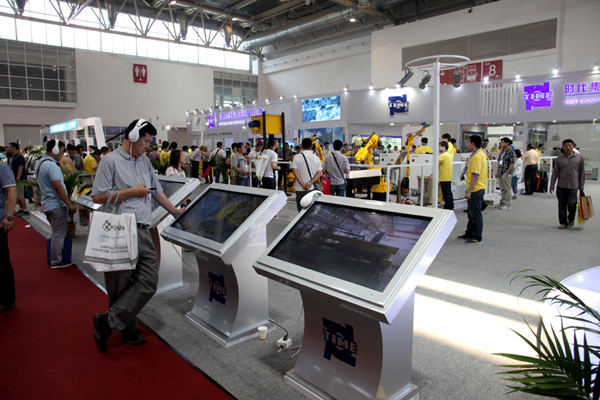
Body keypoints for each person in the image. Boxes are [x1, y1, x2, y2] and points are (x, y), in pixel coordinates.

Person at [90, 119, 184, 352]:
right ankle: (128, 327)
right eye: (146, 141)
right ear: (132, 137)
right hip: (120, 229)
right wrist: (132, 192)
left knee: (149, 281)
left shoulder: (144, 161)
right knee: (120, 284)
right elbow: (97, 196)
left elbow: (156, 192)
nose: (148, 146)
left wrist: (175, 211)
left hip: (143, 229)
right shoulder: (110, 161)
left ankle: (107, 322)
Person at [36, 140, 77, 268]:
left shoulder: (40, 163)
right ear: (54, 150)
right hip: (56, 205)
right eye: (61, 151)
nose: (62, 154)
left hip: (47, 204)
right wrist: (69, 204)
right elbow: (58, 187)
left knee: (56, 233)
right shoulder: (52, 166)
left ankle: (56, 258)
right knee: (59, 234)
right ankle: (56, 261)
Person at [549, 139, 585, 229]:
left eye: (569, 145)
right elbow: (555, 172)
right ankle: (563, 223)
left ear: (573, 146)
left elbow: (582, 172)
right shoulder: (559, 158)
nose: (568, 147)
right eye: (565, 146)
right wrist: (552, 184)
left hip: (573, 185)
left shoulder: (579, 158)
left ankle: (571, 219)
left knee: (572, 204)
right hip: (561, 185)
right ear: (563, 147)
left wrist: (581, 185)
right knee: (562, 205)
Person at [458, 135, 487, 244]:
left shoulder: (477, 157)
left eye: (468, 142)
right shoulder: (475, 154)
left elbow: (475, 176)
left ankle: (477, 237)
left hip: (476, 189)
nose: (467, 144)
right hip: (475, 188)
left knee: (475, 214)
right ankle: (469, 232)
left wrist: (469, 191)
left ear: (473, 144)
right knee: (471, 213)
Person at [0, 161, 17, 314]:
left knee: (1, 263)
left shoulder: (1, 167)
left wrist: (9, 216)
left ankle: (7, 300)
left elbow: (11, 190)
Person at [292, 138, 323, 211]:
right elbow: (319, 173)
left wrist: (303, 184)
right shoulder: (316, 158)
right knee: (310, 211)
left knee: (301, 211)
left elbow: (295, 172)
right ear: (311, 146)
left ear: (301, 146)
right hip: (311, 188)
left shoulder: (297, 157)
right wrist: (310, 183)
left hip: (300, 188)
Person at [7, 142, 28, 215]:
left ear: (14, 148)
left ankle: (25, 210)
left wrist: (18, 178)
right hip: (13, 178)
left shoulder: (19, 156)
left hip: (19, 179)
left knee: (20, 194)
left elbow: (20, 167)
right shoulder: (13, 156)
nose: (8, 149)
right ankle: (21, 208)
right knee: (17, 194)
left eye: (9, 147)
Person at [495, 137, 515, 210]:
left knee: (507, 189)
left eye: (503, 142)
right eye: (501, 142)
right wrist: (497, 171)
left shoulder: (511, 151)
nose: (501, 144)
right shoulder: (502, 151)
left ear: (507, 143)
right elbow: (499, 162)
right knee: (502, 189)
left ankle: (507, 204)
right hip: (501, 171)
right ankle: (502, 202)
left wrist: (507, 172)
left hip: (506, 173)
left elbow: (512, 163)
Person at [438, 141, 454, 210]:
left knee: (446, 194)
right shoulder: (449, 154)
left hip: (444, 177)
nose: (438, 148)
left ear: (443, 147)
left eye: (439, 147)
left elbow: (435, 161)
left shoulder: (443, 155)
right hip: (448, 176)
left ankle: (448, 207)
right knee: (449, 193)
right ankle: (451, 206)